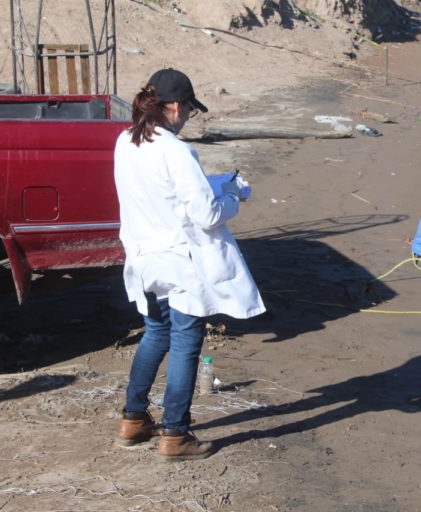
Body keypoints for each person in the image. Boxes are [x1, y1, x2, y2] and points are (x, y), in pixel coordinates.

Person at [112, 68, 266, 461]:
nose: (187, 120)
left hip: (144, 258)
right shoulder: (175, 150)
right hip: (179, 262)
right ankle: (176, 433)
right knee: (184, 342)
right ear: (175, 106)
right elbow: (208, 215)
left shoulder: (125, 142)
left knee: (155, 334)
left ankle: (133, 417)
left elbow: (163, 195)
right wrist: (233, 195)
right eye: (189, 112)